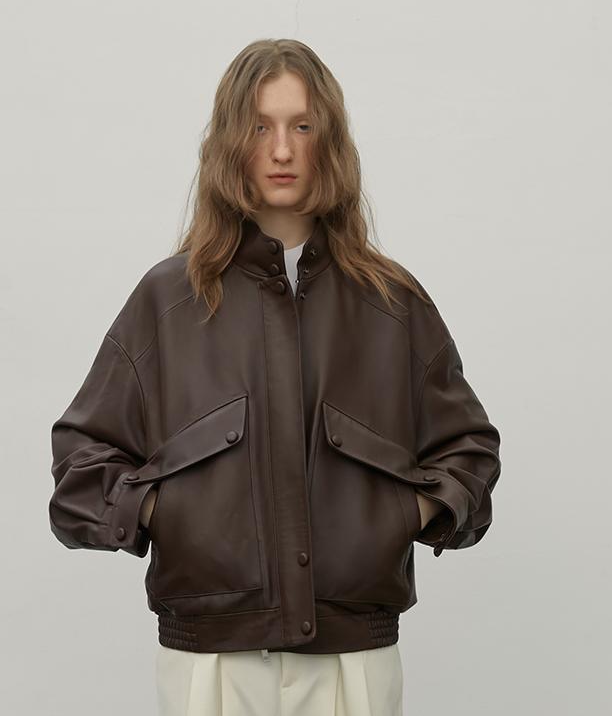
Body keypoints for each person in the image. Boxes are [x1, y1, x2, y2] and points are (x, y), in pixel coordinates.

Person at [49, 38, 502, 716]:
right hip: (211, 663)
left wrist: (396, 520)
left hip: (353, 659)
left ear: (331, 141)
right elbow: (81, 463)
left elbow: (470, 451)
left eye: (302, 126)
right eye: (260, 127)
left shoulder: (392, 302)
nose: (282, 150)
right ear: (230, 143)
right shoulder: (168, 301)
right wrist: (171, 517)